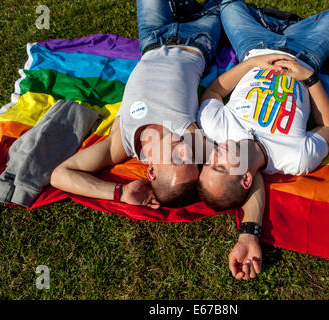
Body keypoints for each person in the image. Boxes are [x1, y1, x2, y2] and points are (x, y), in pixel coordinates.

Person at [197, 0, 329, 280]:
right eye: (220, 166)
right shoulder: (294, 158)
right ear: (246, 180)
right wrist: (311, 78)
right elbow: (328, 128)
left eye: (209, 162)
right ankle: (283, 23)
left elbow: (214, 92)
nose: (214, 155)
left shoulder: (217, 130)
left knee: (228, 5)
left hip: (254, 46)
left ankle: (274, 24)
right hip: (306, 55)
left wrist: (252, 62)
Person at [50, 0, 222, 208]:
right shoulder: (188, 136)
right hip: (198, 39)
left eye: (178, 159)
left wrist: (120, 192)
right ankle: (187, 9)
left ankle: (185, 9)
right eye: (192, 159)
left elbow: (60, 175)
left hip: (152, 38)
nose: (186, 151)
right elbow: (243, 171)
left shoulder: (122, 143)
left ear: (151, 171)